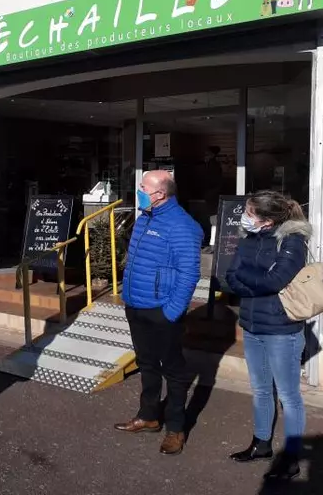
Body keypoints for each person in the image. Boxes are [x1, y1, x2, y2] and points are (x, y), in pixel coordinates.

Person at [114, 170, 203, 456]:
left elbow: (189, 273)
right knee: (147, 364)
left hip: (161, 311)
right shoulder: (146, 218)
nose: (138, 190)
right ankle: (148, 416)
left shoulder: (182, 226)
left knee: (173, 371)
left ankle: (176, 429)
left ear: (161, 193)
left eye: (144, 187)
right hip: (136, 305)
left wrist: (172, 312)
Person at [226, 191, 311, 481]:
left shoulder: (292, 241)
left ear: (268, 219)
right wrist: (257, 282)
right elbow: (231, 275)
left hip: (281, 330)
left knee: (289, 395)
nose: (244, 218)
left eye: (250, 213)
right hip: (251, 325)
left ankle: (291, 457)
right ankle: (261, 444)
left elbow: (276, 280)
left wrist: (254, 280)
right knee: (261, 391)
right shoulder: (250, 238)